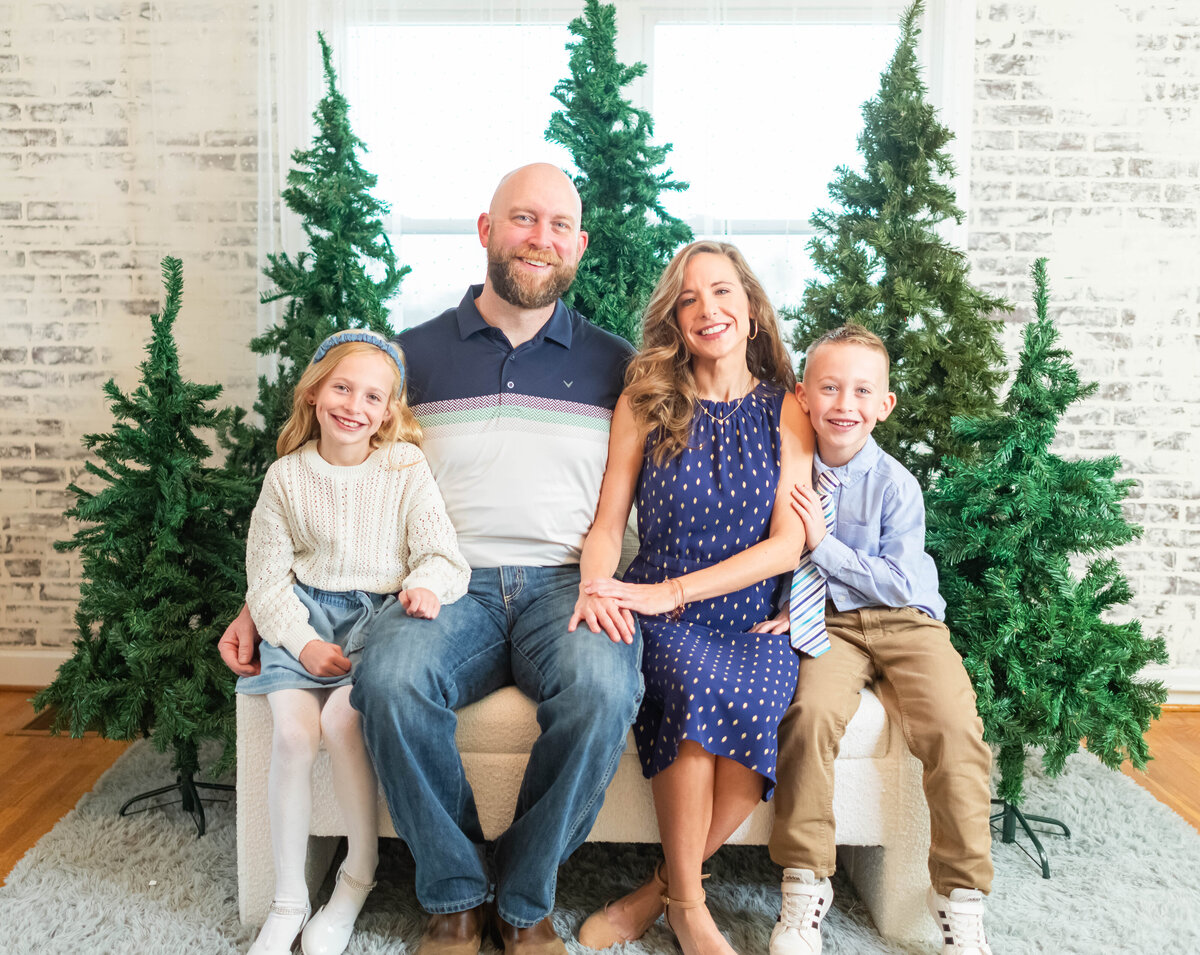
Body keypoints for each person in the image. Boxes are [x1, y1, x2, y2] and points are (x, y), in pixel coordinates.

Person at [220, 163, 644, 955]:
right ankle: (454, 894)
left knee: (603, 685)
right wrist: (262, 601)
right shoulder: (409, 357)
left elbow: (651, 497)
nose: (539, 239)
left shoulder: (615, 365)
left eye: (558, 226)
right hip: (439, 583)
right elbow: (332, 477)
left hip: (568, 583)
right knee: (388, 677)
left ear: (579, 246)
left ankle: (522, 899)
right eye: (523, 219)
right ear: (487, 231)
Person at [570, 240, 815, 955]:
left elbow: (786, 545)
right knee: (690, 684)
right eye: (688, 298)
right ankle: (692, 908)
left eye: (722, 293)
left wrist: (675, 591)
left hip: (751, 616)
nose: (707, 309)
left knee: (756, 725)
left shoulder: (788, 409)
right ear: (674, 320)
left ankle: (660, 895)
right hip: (664, 611)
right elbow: (608, 525)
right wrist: (597, 584)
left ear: (752, 310)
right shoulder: (645, 400)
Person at [238, 329, 471, 955]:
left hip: (379, 622)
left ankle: (355, 876)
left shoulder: (403, 466)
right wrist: (301, 640)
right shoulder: (285, 477)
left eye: (374, 396)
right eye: (342, 388)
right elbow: (265, 580)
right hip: (302, 618)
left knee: (344, 722)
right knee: (292, 733)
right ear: (314, 394)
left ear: (389, 410)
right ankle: (289, 900)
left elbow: (443, 554)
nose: (355, 406)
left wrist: (424, 585)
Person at [767, 323, 994, 955]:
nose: (845, 404)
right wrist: (787, 602)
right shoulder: (787, 468)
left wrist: (824, 547)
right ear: (803, 395)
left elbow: (896, 582)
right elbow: (765, 551)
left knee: (954, 727)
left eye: (862, 390)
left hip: (907, 619)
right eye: (831, 387)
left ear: (884, 405)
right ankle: (804, 882)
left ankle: (959, 895)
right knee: (808, 716)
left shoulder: (896, 484)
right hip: (829, 622)